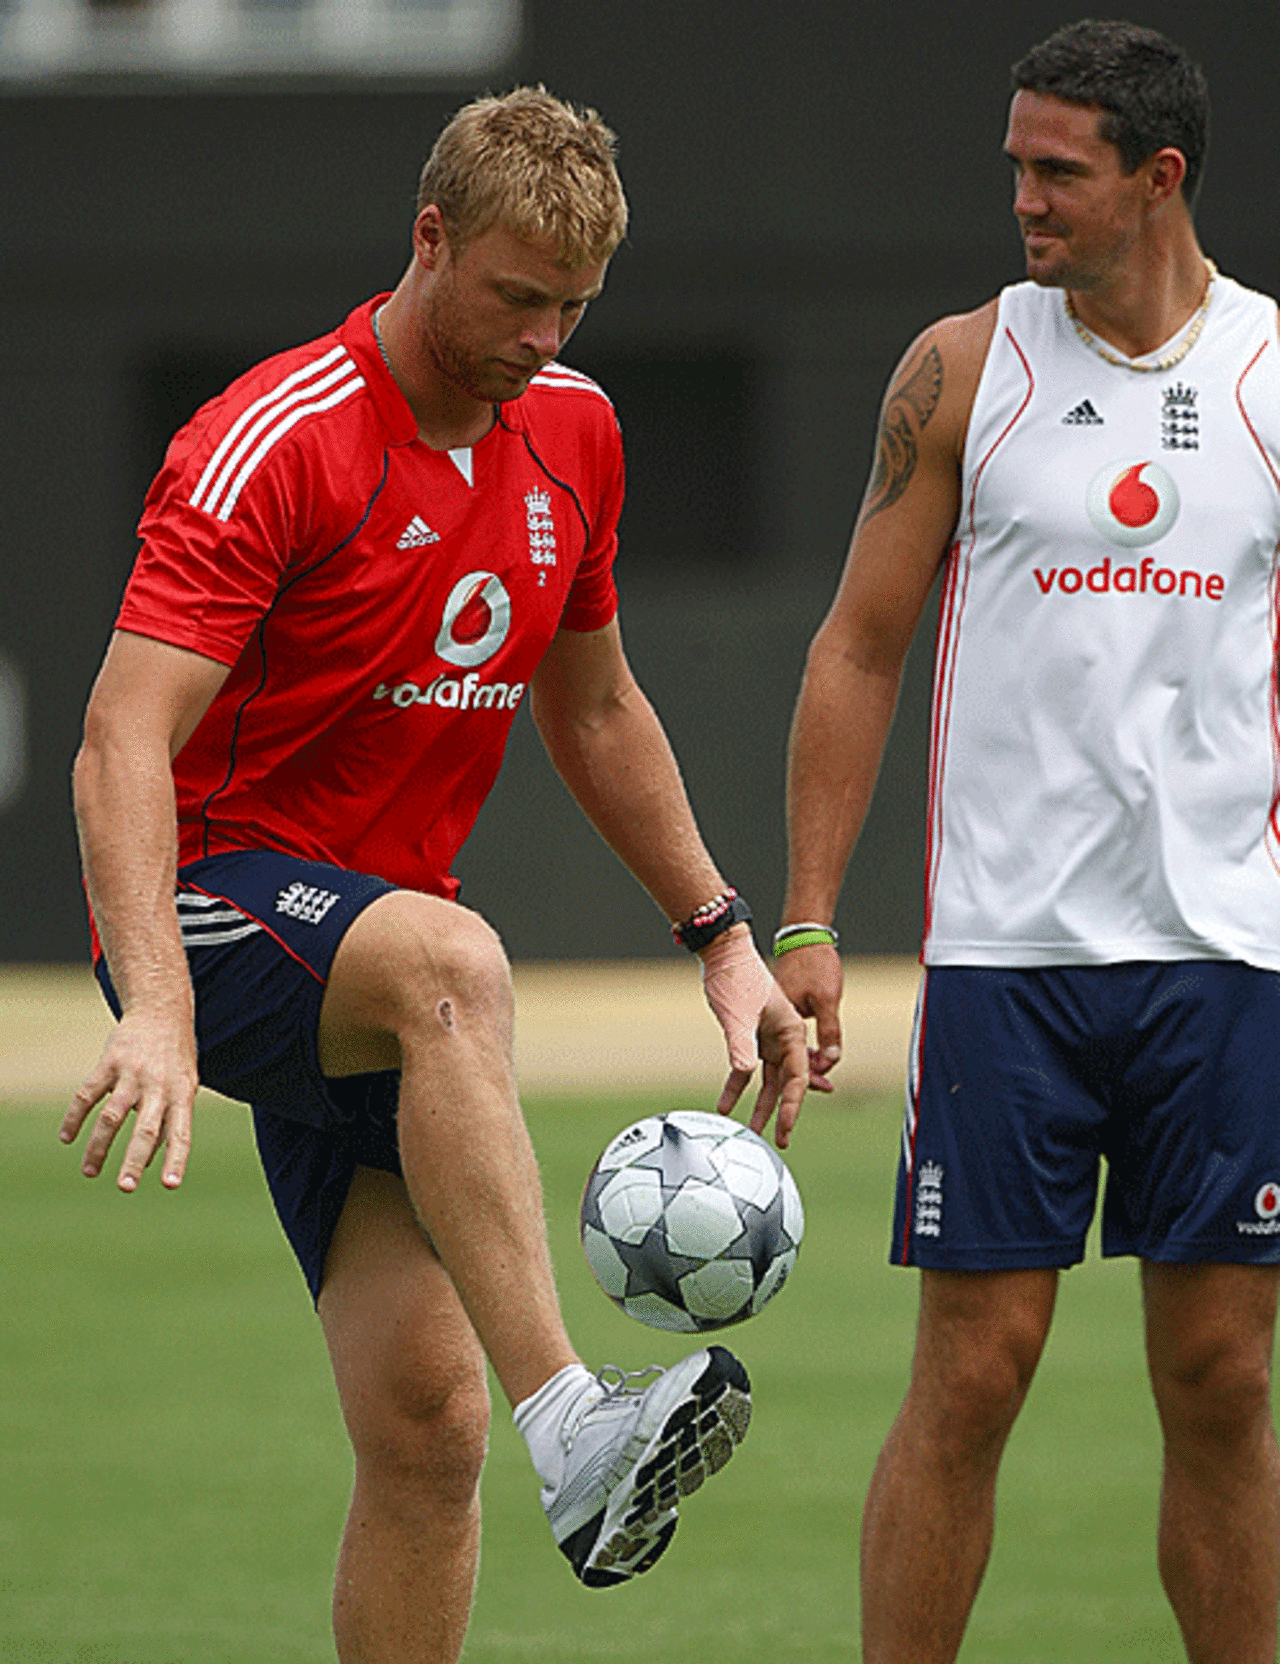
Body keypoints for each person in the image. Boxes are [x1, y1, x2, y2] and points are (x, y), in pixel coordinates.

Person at [62, 86, 809, 1664]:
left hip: (372, 973)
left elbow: (595, 706)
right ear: (429, 237)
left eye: (574, 307)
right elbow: (123, 742)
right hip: (222, 906)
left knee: (425, 1429)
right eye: (517, 295)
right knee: (456, 962)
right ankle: (583, 1425)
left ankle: (529, 1427)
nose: (543, 335)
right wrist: (155, 1009)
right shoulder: (272, 439)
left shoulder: (576, 433)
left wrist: (723, 935)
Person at [774, 20, 1280, 1664]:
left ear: (1162, 176)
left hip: (1228, 961)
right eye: (1016, 164)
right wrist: (804, 921)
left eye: (1058, 170)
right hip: (1010, 965)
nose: (1025, 199)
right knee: (971, 1380)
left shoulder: (1273, 372)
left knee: (1221, 1380)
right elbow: (858, 647)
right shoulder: (963, 370)